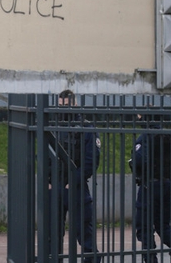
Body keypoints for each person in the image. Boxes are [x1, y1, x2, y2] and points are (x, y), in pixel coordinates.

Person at [52, 90, 101, 263]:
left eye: (66, 105)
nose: (63, 109)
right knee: (53, 233)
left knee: (83, 233)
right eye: (60, 106)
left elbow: (91, 161)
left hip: (76, 187)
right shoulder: (54, 125)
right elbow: (47, 155)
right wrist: (50, 181)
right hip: (57, 186)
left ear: (75, 104)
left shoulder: (86, 128)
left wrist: (72, 182)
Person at [133, 115, 171, 263]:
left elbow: (139, 160)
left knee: (144, 225)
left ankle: (150, 257)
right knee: (163, 224)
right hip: (168, 185)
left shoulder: (144, 137)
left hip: (149, 185)